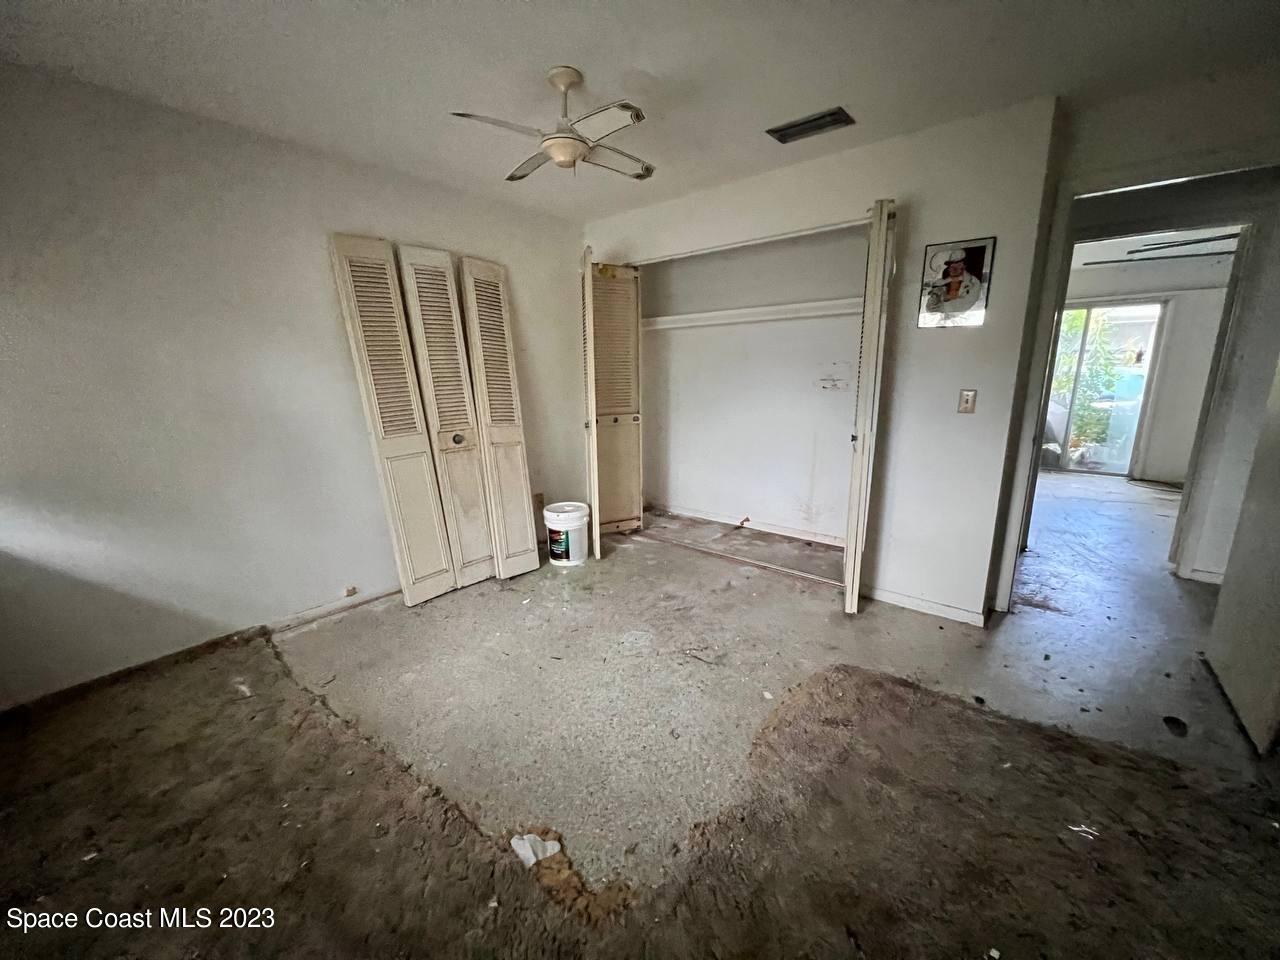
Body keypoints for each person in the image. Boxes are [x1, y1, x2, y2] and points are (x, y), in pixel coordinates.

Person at [924, 248, 981, 317]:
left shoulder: (974, 283)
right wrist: (936, 294)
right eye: (950, 265)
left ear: (964, 265)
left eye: (956, 265)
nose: (951, 269)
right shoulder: (945, 280)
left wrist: (943, 307)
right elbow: (929, 308)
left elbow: (965, 304)